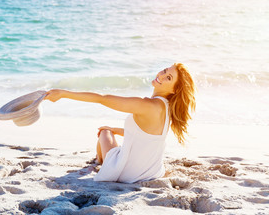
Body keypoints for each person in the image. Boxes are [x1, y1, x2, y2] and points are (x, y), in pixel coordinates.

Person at [44, 63, 196, 183]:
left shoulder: (146, 105)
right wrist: (116, 130)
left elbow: (102, 98)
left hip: (126, 173)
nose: (161, 76)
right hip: (150, 172)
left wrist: (63, 94)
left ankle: (99, 161)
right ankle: (101, 158)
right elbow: (146, 137)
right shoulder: (167, 108)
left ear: (175, 90)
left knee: (104, 132)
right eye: (164, 71)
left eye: (168, 78)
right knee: (110, 130)